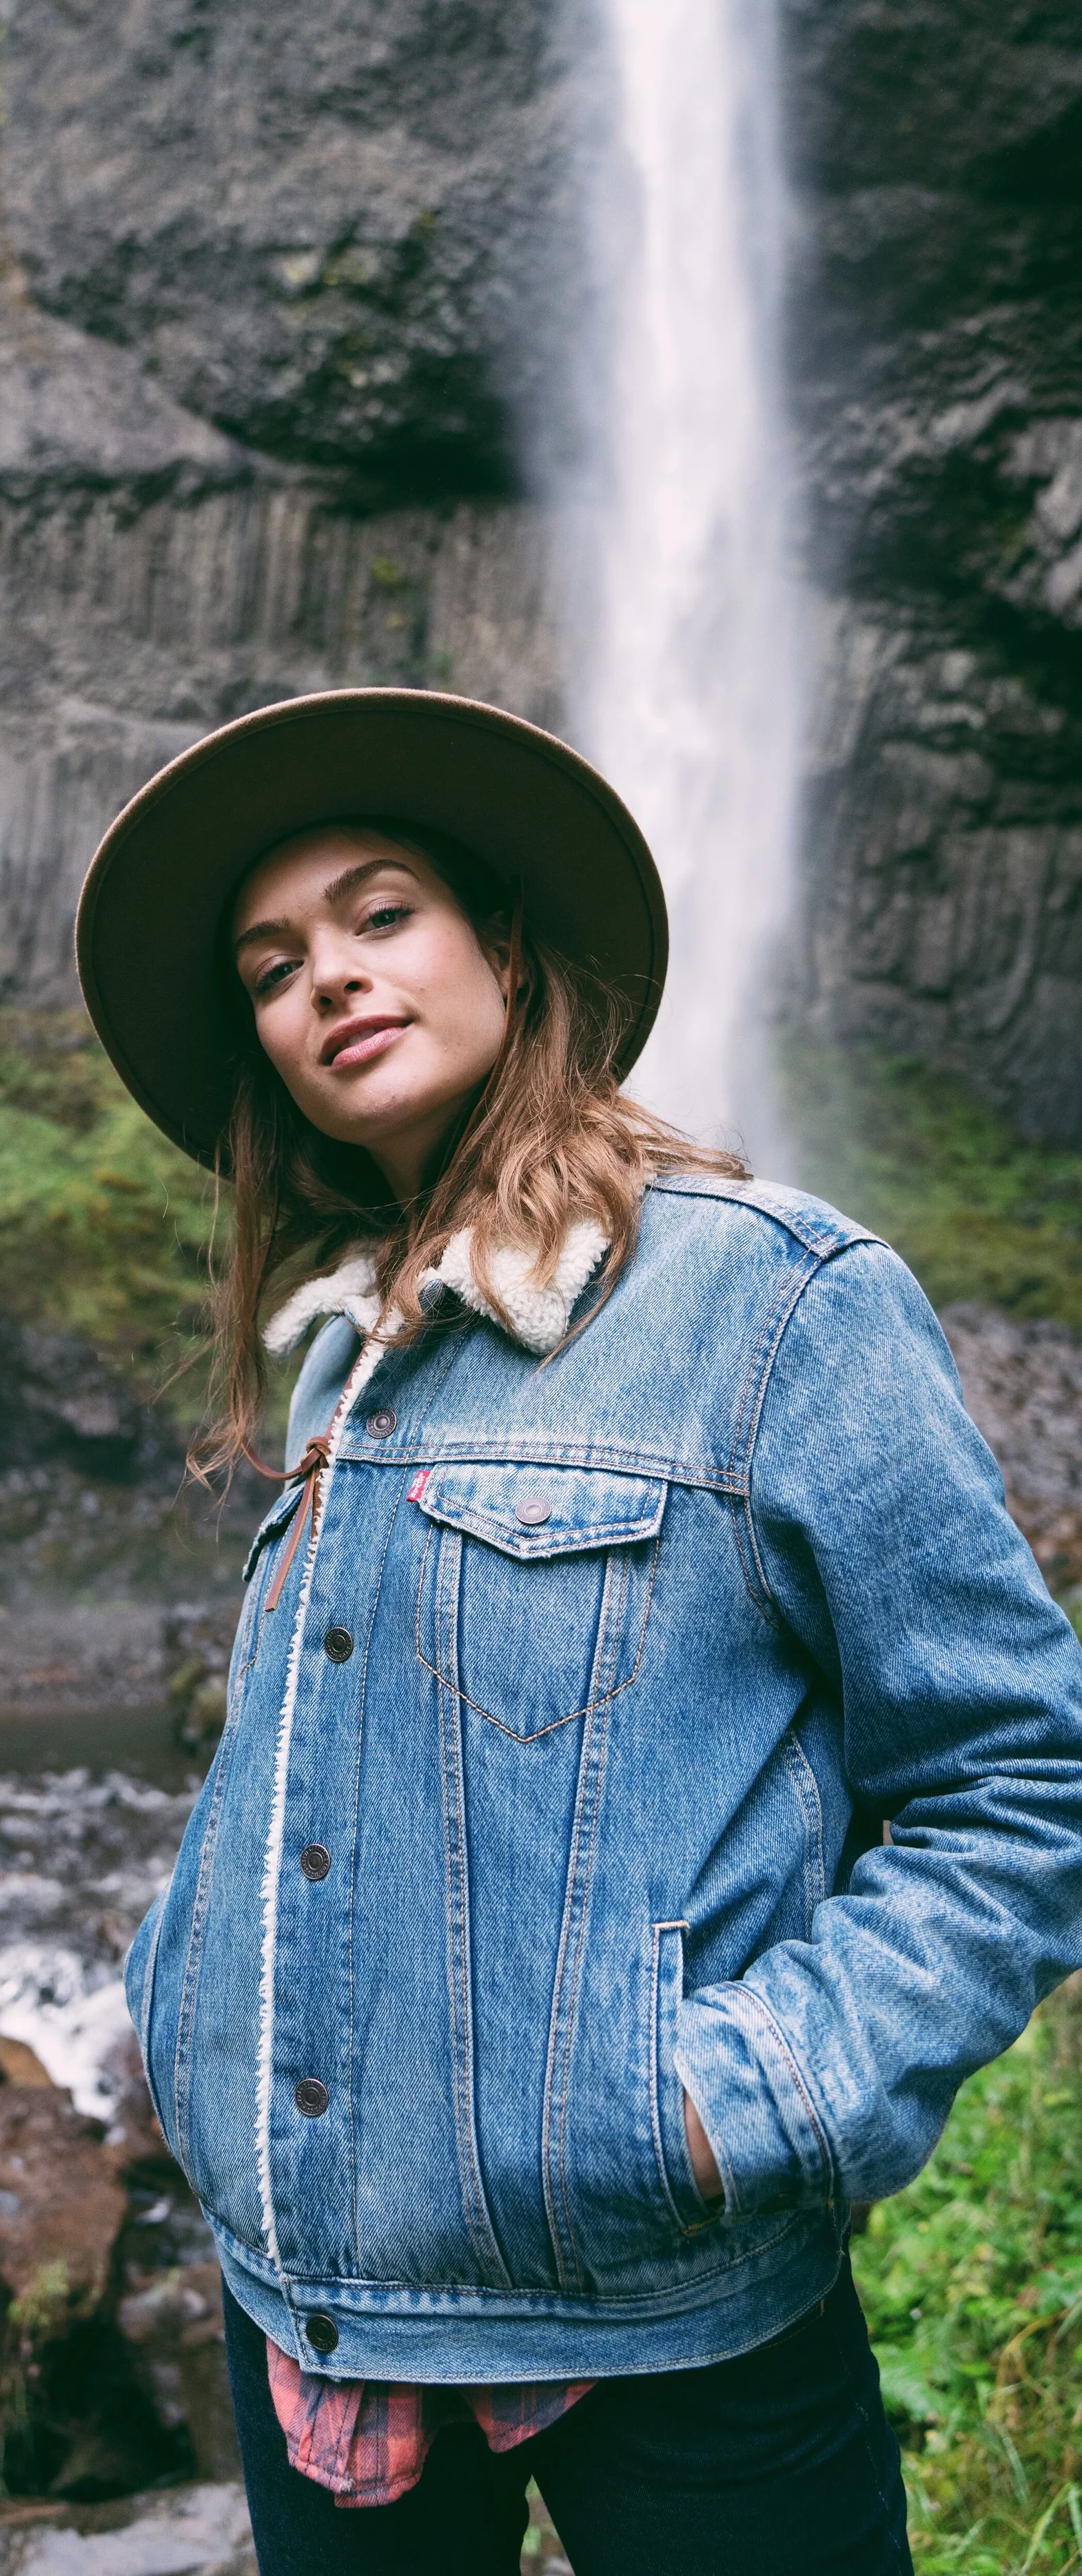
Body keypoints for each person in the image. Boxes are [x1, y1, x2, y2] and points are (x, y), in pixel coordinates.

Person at [74, 688, 1082, 2575]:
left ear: (504, 948)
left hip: (668, 2306)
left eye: (381, 915)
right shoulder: (339, 1360)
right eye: (272, 964)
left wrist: (745, 2101)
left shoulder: (777, 1300)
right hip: (314, 2298)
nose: (327, 981)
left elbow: (1017, 1781)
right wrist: (176, 2004)